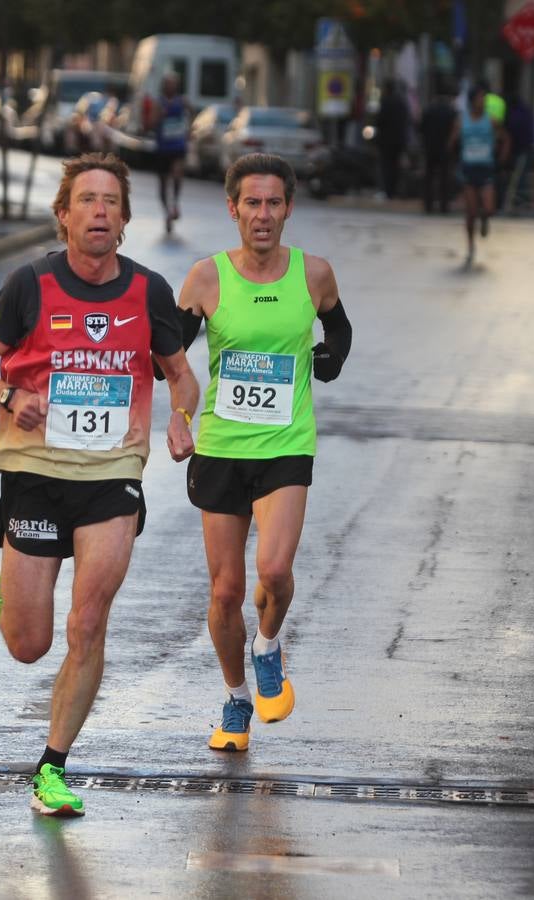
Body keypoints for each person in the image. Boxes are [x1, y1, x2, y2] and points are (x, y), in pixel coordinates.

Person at [0, 152, 199, 817]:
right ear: (63, 215)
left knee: (89, 621)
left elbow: (181, 374)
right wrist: (10, 395)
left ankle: (52, 767)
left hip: (111, 475)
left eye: (111, 202)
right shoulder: (29, 285)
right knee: (28, 643)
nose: (100, 211)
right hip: (36, 472)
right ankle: (10, 592)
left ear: (124, 219)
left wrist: (182, 420)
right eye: (87, 200)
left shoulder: (150, 291)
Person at [169, 153, 350, 752]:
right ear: (233, 209)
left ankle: (268, 642)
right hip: (221, 448)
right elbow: (171, 356)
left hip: (285, 445)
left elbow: (339, 331)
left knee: (273, 571)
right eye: (252, 203)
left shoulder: (313, 274)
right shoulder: (207, 278)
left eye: (274, 203)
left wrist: (329, 361)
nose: (263, 214)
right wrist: (178, 415)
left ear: (288, 208)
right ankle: (236, 697)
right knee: (224, 591)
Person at [450, 86, 509, 266]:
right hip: (469, 169)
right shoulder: (462, 121)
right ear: (472, 101)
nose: (482, 102)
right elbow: (452, 140)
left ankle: (485, 219)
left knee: (489, 208)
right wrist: (452, 150)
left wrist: (502, 158)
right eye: (480, 98)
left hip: (486, 169)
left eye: (484, 98)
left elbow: (506, 138)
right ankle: (470, 246)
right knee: (471, 212)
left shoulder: (491, 121)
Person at [149, 72, 191, 233]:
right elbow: (151, 123)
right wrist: (159, 116)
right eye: (168, 83)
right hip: (163, 148)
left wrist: (189, 129)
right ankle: (167, 212)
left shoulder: (182, 101)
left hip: (178, 146)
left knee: (177, 174)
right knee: (162, 183)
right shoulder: (158, 103)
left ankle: (175, 204)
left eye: (174, 84)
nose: (171, 86)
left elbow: (192, 113)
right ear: (164, 86)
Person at [419, 84, 458, 214]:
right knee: (445, 177)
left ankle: (428, 204)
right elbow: (455, 130)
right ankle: (444, 205)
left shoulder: (429, 109)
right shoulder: (451, 111)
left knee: (429, 177)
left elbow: (421, 128)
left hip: (430, 147)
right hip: (445, 148)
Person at [374, 80, 410, 200]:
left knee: (386, 166)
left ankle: (388, 191)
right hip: (399, 140)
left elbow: (379, 120)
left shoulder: (385, 102)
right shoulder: (401, 102)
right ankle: (395, 191)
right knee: (395, 166)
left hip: (386, 140)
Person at [502, 91, 534, 212]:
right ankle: (522, 201)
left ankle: (521, 201)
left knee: (520, 177)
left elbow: (512, 133)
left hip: (520, 149)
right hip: (527, 147)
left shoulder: (514, 115)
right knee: (523, 175)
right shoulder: (526, 112)